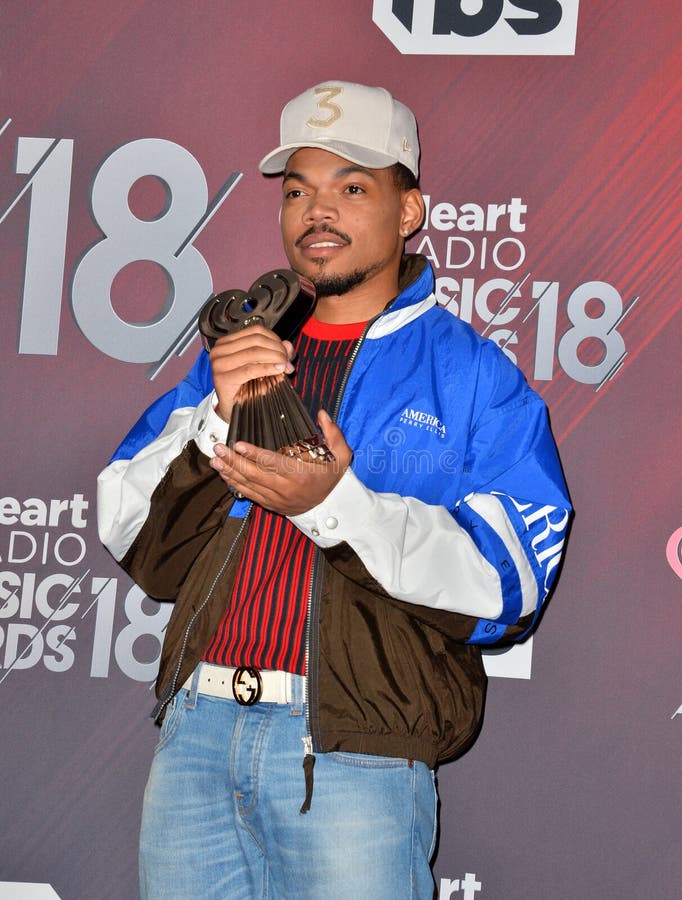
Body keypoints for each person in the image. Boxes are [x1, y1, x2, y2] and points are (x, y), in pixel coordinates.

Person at [98, 81, 571, 899]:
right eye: (298, 192)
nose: (318, 212)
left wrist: (332, 505)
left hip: (355, 756)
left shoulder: (474, 378)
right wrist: (217, 412)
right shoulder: (237, 353)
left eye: (352, 188)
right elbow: (130, 530)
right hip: (196, 736)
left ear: (410, 209)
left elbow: (510, 583)